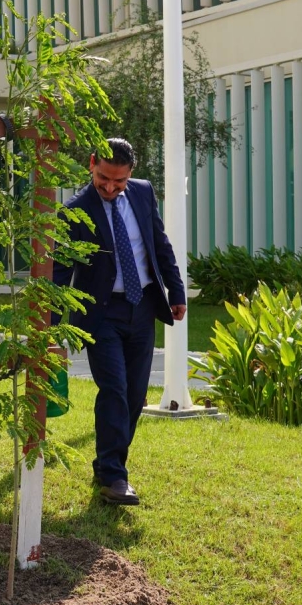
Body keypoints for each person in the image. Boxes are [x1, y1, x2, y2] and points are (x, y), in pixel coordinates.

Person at [53, 138, 187, 506]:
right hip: (101, 314)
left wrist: (176, 292)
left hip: (142, 307)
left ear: (131, 175)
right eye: (103, 179)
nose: (110, 188)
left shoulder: (143, 194)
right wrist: (50, 328)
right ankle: (114, 476)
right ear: (91, 163)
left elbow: (160, 245)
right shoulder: (75, 211)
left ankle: (106, 463)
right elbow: (60, 273)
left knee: (134, 394)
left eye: (119, 181)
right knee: (113, 389)